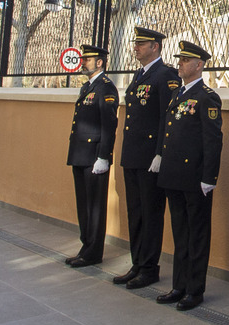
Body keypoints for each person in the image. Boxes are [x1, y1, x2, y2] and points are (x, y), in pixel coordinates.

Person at [153, 40, 222, 312]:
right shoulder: (177, 95)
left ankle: (195, 289)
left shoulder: (207, 97)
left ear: (199, 65)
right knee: (180, 233)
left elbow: (212, 141)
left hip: (195, 179)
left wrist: (209, 177)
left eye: (184, 60)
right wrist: (160, 157)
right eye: (179, 60)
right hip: (174, 176)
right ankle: (179, 285)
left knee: (197, 235)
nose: (179, 64)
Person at [114, 27, 180, 290]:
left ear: (155, 46)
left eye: (141, 44)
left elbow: (167, 116)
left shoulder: (165, 75)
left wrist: (160, 153)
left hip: (150, 158)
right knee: (135, 213)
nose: (136, 47)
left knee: (151, 214)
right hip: (133, 155)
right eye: (136, 43)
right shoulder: (140, 75)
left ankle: (149, 268)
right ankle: (138, 263)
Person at [65, 44, 118, 267]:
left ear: (99, 62)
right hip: (80, 154)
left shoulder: (106, 88)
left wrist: (104, 156)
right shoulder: (87, 87)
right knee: (84, 205)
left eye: (87, 59)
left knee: (95, 207)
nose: (83, 62)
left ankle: (93, 252)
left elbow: (109, 125)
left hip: (94, 156)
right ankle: (85, 246)